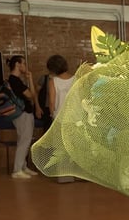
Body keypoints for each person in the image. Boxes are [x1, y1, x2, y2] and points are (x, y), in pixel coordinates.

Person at [6, 55, 40, 179]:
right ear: (17, 65)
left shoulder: (14, 80)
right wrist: (30, 79)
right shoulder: (15, 81)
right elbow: (31, 95)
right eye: (24, 63)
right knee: (24, 141)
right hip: (22, 113)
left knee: (24, 140)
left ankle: (23, 166)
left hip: (22, 113)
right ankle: (17, 170)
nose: (25, 66)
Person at [46, 54, 76, 183]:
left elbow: (52, 102)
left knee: (60, 147)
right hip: (75, 117)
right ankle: (76, 174)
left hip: (60, 117)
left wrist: (51, 113)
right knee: (73, 147)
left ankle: (64, 176)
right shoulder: (76, 79)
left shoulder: (53, 81)